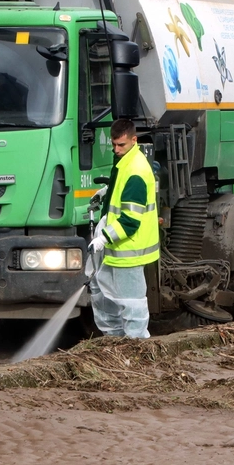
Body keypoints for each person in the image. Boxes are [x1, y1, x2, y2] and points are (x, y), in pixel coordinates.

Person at [87, 119, 159, 339]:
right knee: (104, 294)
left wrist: (103, 238)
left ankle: (138, 347)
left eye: (122, 145)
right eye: (114, 145)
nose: (117, 150)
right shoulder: (126, 162)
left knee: (132, 304)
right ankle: (116, 343)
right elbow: (121, 197)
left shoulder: (136, 170)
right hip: (117, 250)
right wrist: (107, 195)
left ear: (134, 140)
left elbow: (129, 221)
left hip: (128, 250)